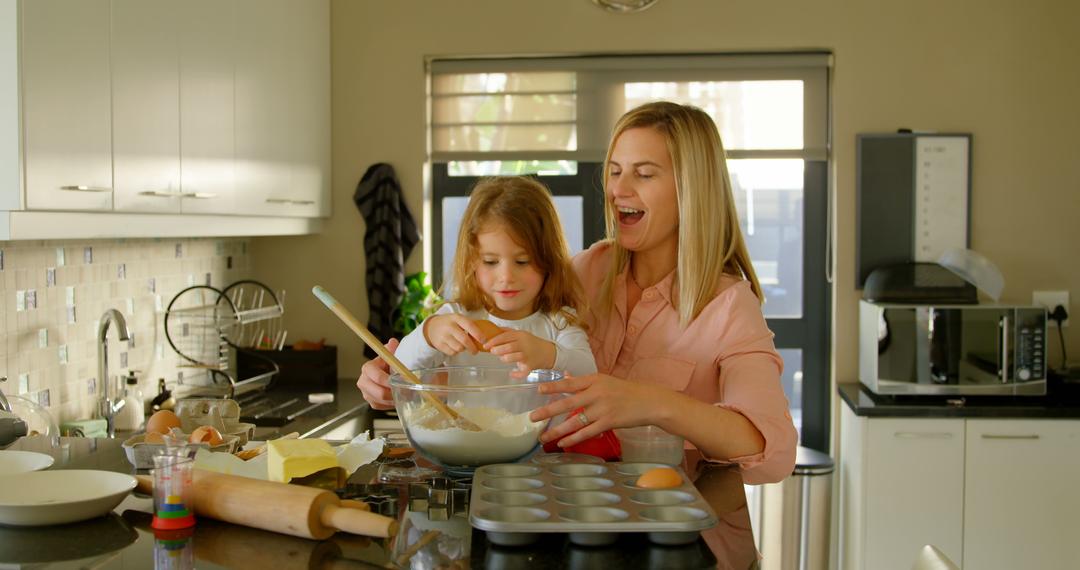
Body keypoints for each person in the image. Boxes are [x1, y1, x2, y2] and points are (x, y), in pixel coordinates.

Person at [358, 102, 796, 486]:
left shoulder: (729, 305)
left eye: (643, 174)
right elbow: (482, 316)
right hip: (558, 501)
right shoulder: (581, 272)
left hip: (666, 515)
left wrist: (653, 404)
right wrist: (390, 373)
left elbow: (773, 454)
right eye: (615, 171)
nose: (618, 190)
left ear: (692, 191)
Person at [386, 176, 597, 377]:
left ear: (549, 260)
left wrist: (549, 354)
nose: (506, 276)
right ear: (471, 262)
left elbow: (588, 371)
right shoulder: (457, 318)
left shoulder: (559, 322)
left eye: (522, 262)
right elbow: (398, 371)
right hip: (464, 417)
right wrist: (428, 335)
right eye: (490, 262)